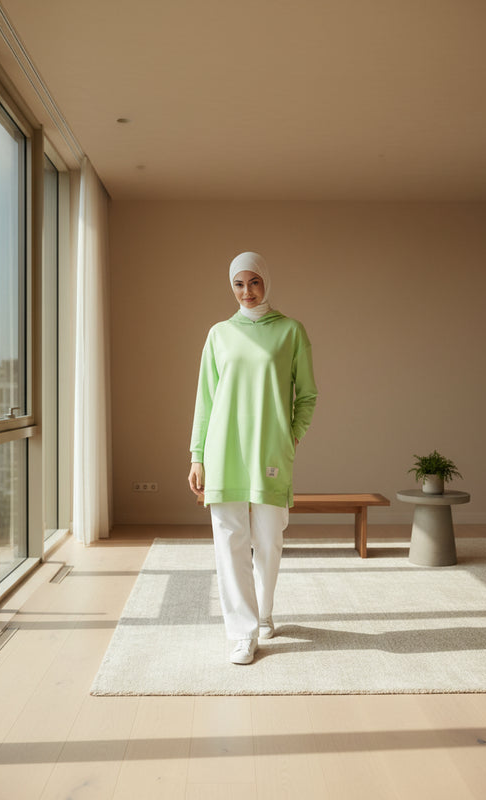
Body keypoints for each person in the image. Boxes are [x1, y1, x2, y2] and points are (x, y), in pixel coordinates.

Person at [188, 251, 317, 665]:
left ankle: (264, 613)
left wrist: (292, 435)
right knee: (229, 543)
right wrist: (196, 455)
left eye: (254, 282)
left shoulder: (291, 332)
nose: (247, 291)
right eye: (239, 284)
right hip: (222, 451)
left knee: (268, 541)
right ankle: (241, 634)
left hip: (269, 452)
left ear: (266, 282)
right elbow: (205, 401)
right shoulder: (219, 335)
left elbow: (308, 394)